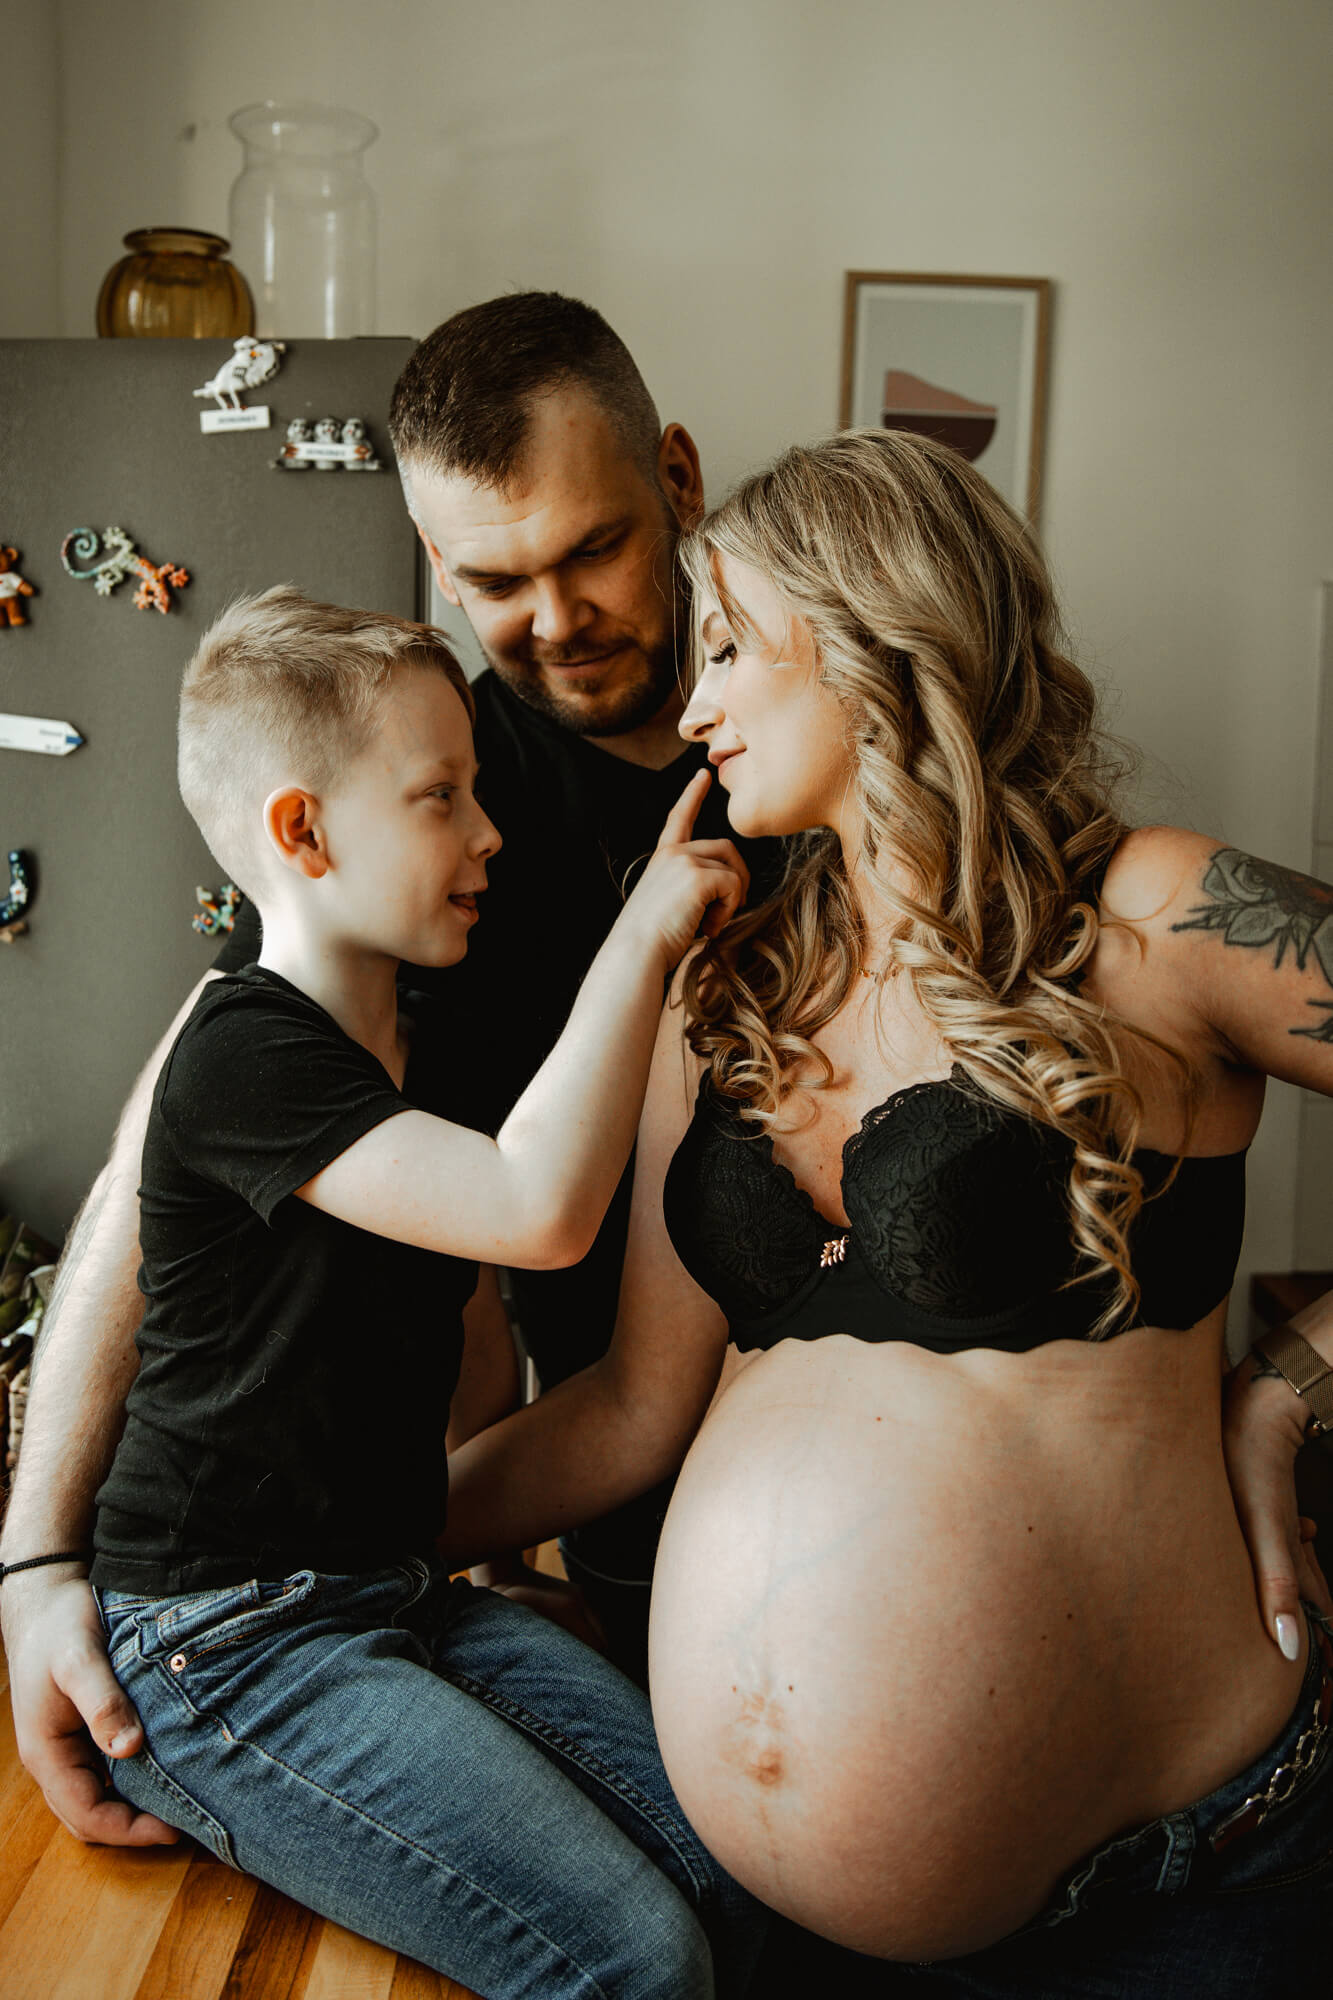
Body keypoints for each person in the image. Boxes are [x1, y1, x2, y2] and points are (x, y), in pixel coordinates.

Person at [441, 428, 1333, 1991]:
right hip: (782, 1934)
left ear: (871, 633)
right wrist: (306, 1541)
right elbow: (634, 1409)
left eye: (731, 647)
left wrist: (1281, 1396)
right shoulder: (723, 993)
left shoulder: (1153, 910)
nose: (695, 705)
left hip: (1173, 1901)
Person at [0, 290, 777, 1851]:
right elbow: (161, 1171)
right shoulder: (413, 837)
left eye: (591, 551)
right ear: (433, 557)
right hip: (611, 1494)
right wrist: (36, 1565)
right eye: (493, 580)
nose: (552, 618)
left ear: (678, 482)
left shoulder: (812, 735)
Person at [78, 586, 762, 1995]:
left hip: (393, 1588)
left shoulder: (430, 1051)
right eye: (441, 796)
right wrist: (639, 936)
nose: (488, 831)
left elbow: (477, 1322)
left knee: (744, 1877)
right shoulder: (244, 1054)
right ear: (303, 833)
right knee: (637, 1960)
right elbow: (536, 1212)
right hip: (224, 1639)